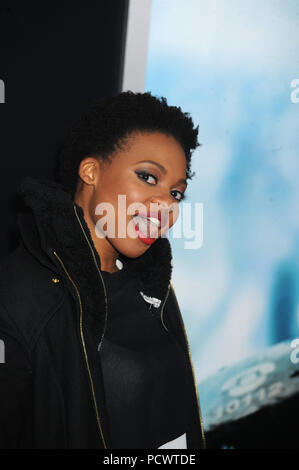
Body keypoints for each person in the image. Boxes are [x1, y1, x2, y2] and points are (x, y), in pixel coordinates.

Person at [0, 91, 206, 449]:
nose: (164, 205)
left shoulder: (154, 286)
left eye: (176, 193)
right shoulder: (22, 297)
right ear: (91, 171)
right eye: (147, 177)